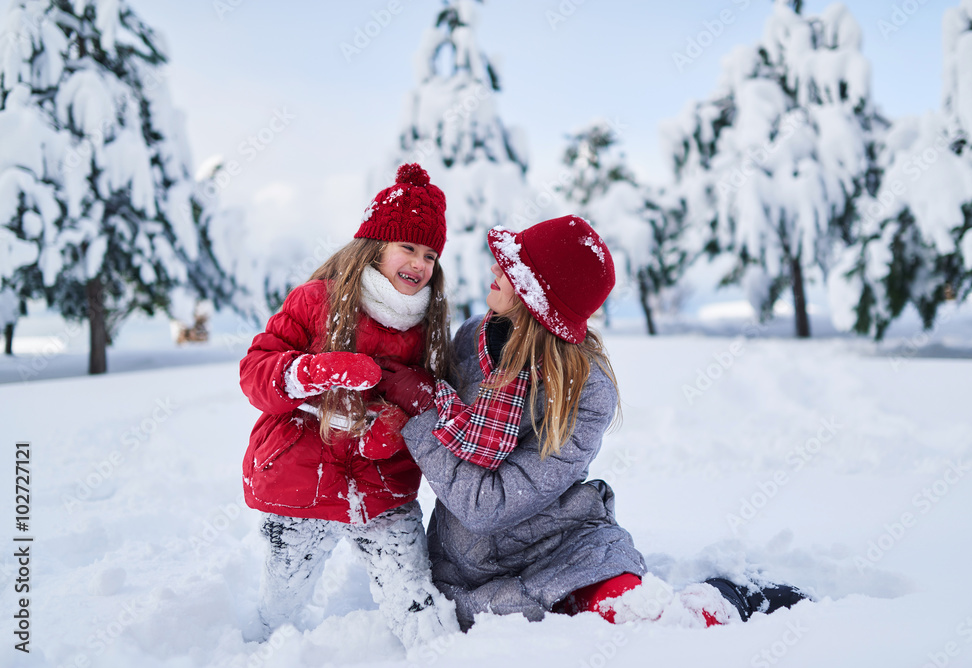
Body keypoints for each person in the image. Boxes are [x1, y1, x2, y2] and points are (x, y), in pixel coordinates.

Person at [397, 215, 808, 630]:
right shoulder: (471, 339)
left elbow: (487, 505)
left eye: (511, 267)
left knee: (656, 624)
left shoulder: (586, 391)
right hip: (468, 568)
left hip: (565, 552)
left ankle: (730, 595)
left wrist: (415, 414)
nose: (494, 269)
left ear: (538, 296)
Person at [238, 164, 460, 649]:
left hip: (383, 490)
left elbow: (434, 404)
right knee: (281, 605)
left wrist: (399, 422)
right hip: (300, 487)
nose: (419, 263)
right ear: (376, 246)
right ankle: (257, 652)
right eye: (408, 247)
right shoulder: (317, 300)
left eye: (429, 254)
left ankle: (442, 658)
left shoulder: (427, 328)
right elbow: (255, 373)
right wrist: (313, 372)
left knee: (417, 603)